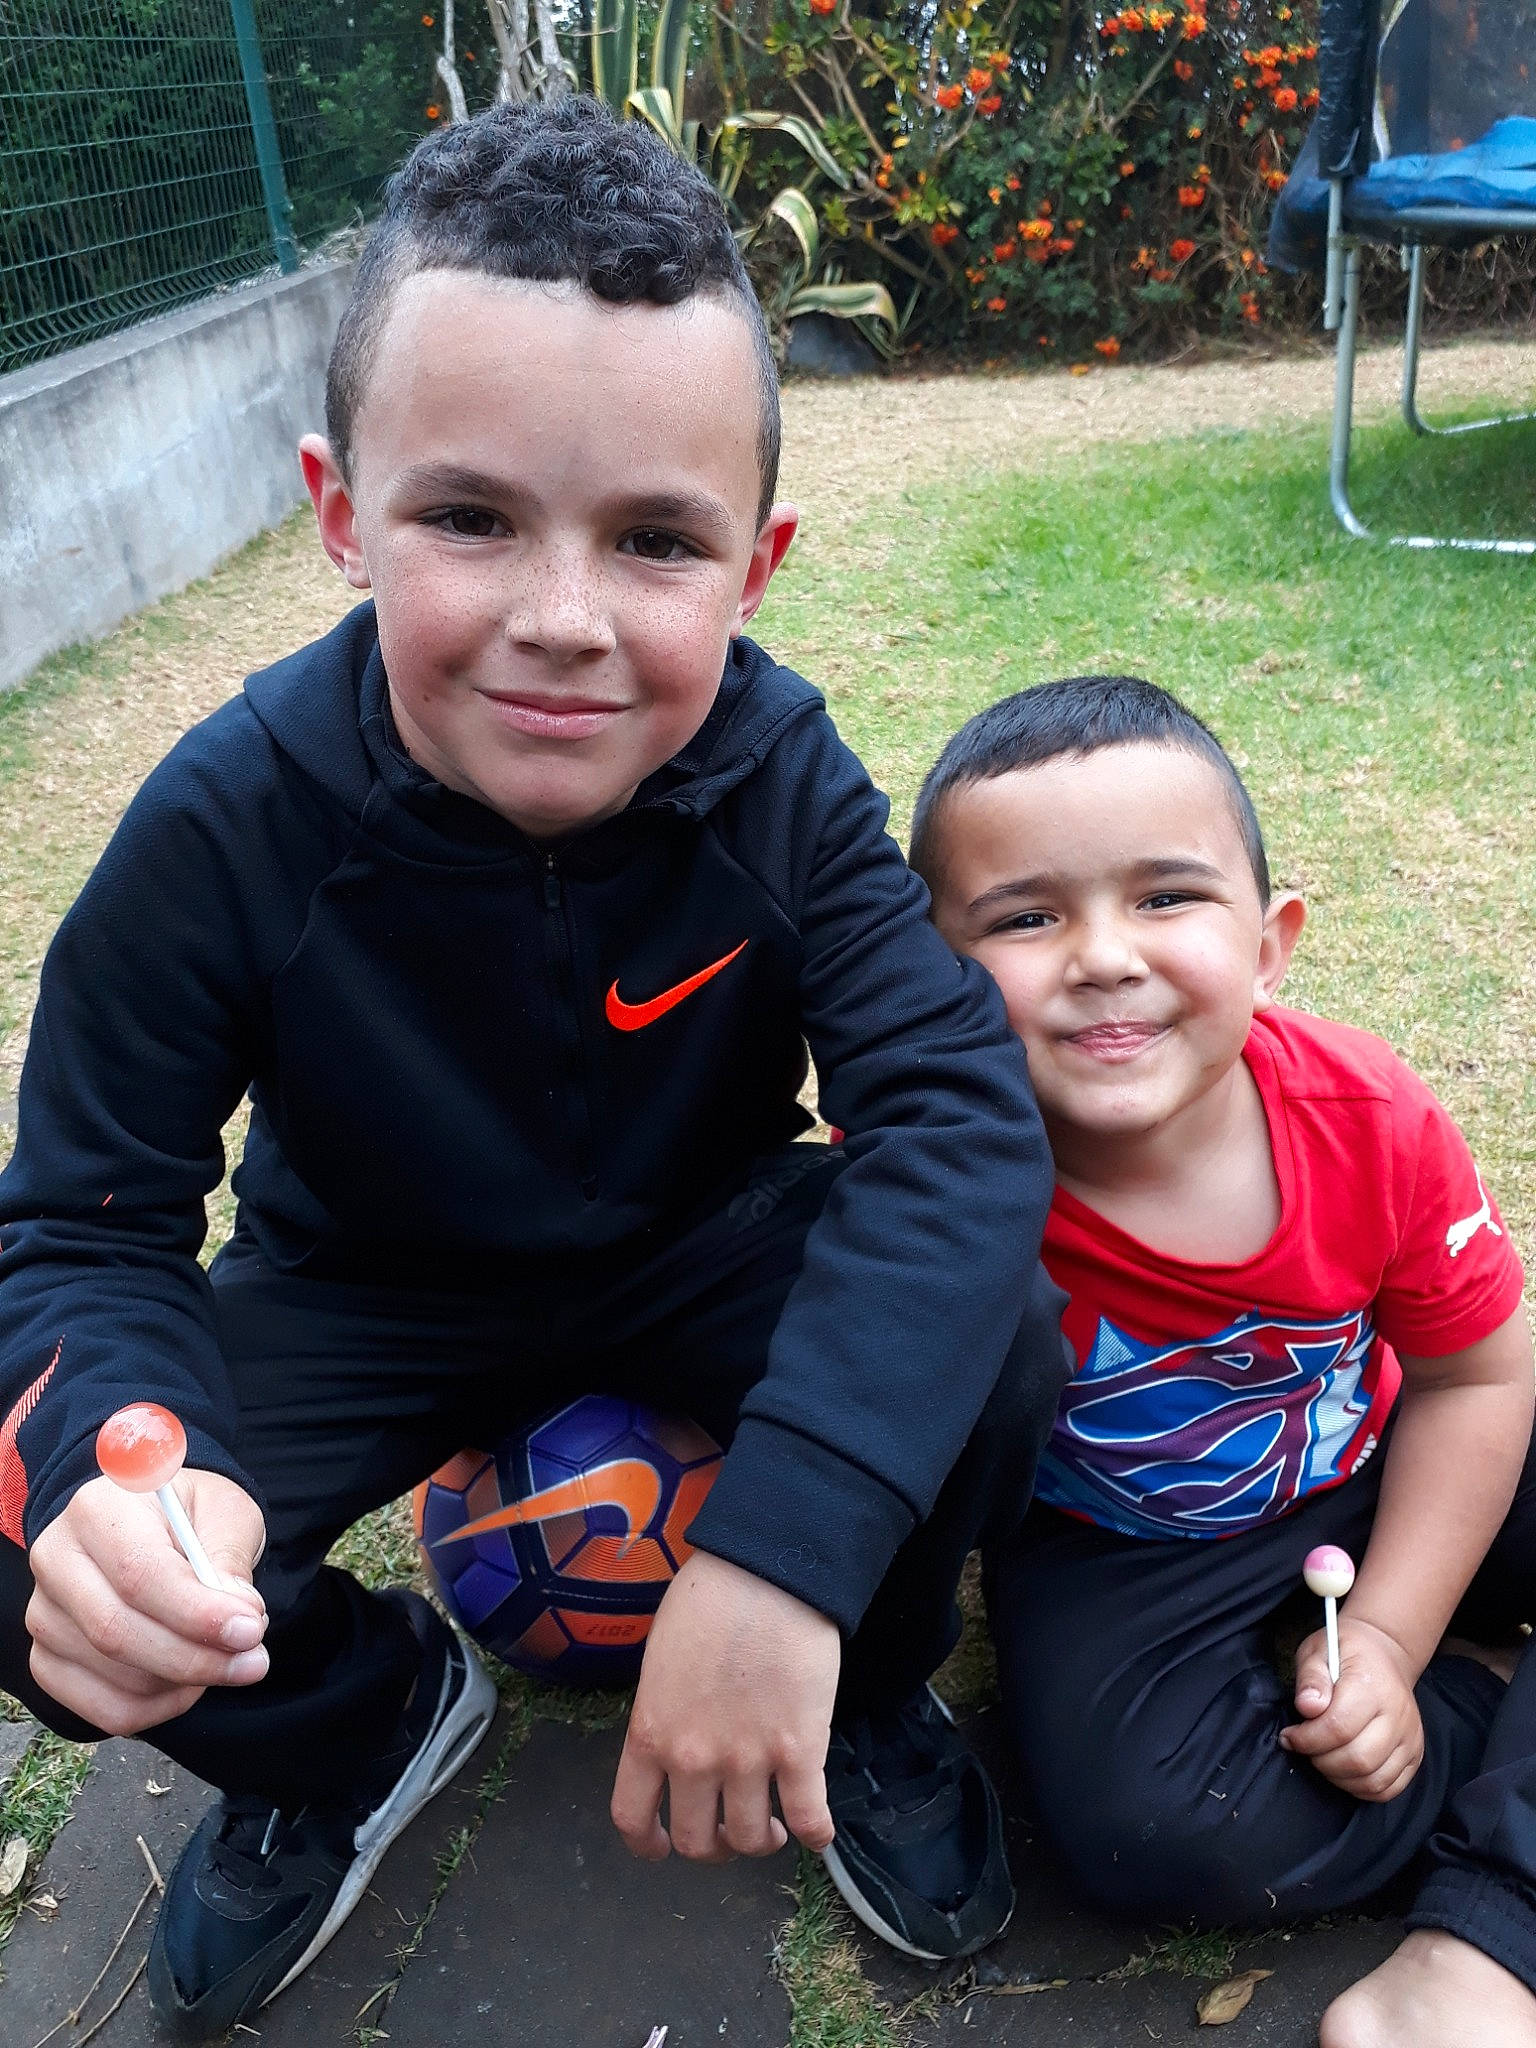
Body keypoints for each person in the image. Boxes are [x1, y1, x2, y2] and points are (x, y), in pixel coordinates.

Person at [0, 99, 1070, 2044]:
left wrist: (795, 1560)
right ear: (339, 510)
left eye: (655, 539)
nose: (563, 620)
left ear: (757, 560)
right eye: (471, 517)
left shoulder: (780, 774)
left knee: (996, 1320)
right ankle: (361, 1717)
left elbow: (959, 1128)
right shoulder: (228, 818)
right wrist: (111, 1466)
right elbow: (82, 1220)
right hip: (361, 1289)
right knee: (22, 1544)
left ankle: (870, 1685)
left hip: (705, 1241)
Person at [909, 674, 1536, 2048]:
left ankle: (1503, 1909)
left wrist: (1386, 1633)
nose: (1102, 955)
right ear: (928, 970)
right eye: (1024, 916)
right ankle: (1484, 1704)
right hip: (1119, 1549)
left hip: (1388, 1464)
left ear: (1270, 944)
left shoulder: (1365, 1115)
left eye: (1166, 898)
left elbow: (1479, 1379)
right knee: (1144, 1837)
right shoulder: (931, 1179)